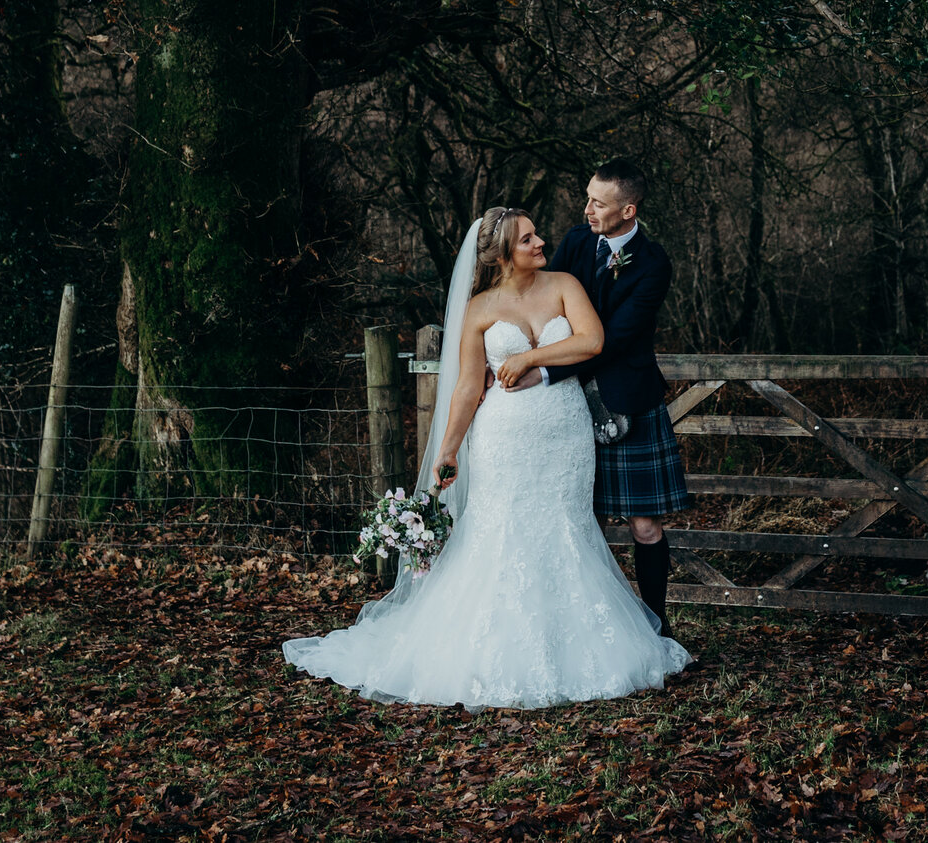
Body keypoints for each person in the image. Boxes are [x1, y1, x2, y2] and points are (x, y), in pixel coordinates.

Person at [281, 207, 689, 708]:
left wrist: (529, 357)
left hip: (565, 434)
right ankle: (494, 650)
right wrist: (448, 448)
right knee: (502, 531)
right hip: (505, 435)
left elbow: (592, 341)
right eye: (528, 239)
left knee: (566, 525)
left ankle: (571, 644)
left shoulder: (563, 284)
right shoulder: (478, 309)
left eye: (536, 234)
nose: (541, 242)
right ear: (502, 255)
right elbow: (470, 386)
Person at [541, 160, 688, 635]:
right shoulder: (577, 241)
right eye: (587, 197)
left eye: (598, 203)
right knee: (579, 521)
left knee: (645, 526)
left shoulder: (653, 262)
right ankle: (588, 629)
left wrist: (543, 370)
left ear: (628, 210)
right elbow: (547, 307)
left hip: (627, 400)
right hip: (566, 402)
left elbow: (613, 339)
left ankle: (656, 626)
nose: (586, 210)